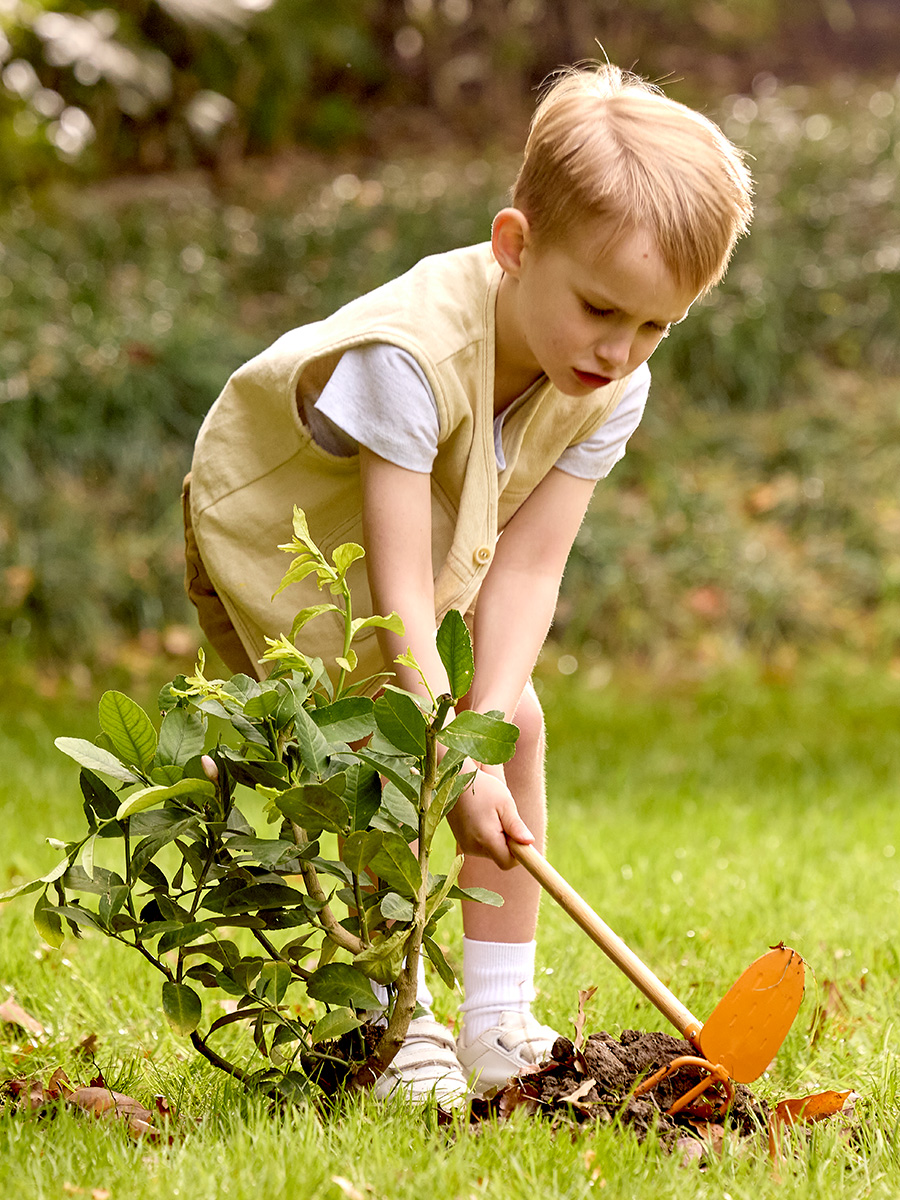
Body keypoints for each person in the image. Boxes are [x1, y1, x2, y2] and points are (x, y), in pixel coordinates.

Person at [183, 62, 752, 1104]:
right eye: (599, 309)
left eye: (655, 327)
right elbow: (397, 583)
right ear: (515, 247)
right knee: (369, 741)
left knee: (517, 724)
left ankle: (496, 1023)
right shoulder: (409, 359)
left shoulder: (611, 381)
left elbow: (532, 566)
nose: (619, 349)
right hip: (294, 536)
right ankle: (390, 1025)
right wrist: (441, 744)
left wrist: (480, 731)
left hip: (446, 538)